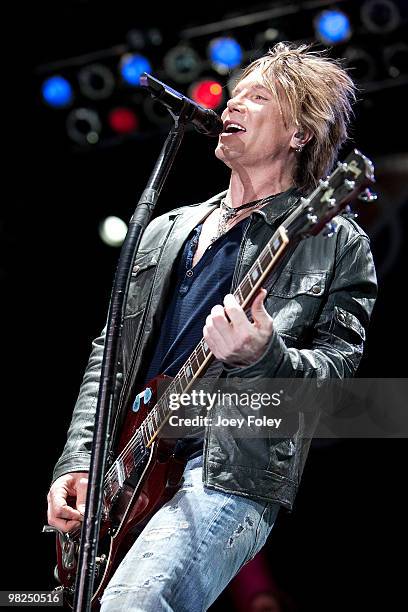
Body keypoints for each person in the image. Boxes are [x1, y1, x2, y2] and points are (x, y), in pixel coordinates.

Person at [46, 42, 377, 611]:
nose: (233, 105)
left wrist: (263, 353)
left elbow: (337, 391)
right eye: (234, 94)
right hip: (130, 467)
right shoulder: (167, 228)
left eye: (259, 98)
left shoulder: (335, 241)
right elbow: (110, 356)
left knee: (135, 603)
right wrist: (81, 461)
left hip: (229, 473)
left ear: (299, 134)